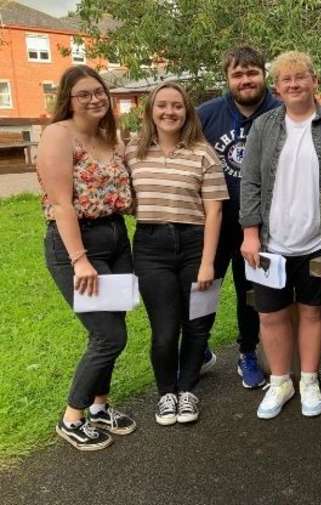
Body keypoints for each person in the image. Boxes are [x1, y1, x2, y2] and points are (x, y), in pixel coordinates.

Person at [197, 46, 321, 388]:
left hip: (304, 235)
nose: (245, 79)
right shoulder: (213, 115)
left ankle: (265, 361)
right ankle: (197, 355)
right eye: (237, 74)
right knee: (217, 294)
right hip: (234, 228)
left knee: (290, 307)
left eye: (252, 73)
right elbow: (247, 177)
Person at [36, 64, 136, 451]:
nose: (95, 99)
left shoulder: (110, 136)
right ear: (69, 99)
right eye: (84, 94)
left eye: (99, 92)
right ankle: (71, 417)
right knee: (108, 335)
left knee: (114, 322)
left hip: (116, 237)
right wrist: (79, 259)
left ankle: (99, 407)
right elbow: (61, 204)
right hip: (78, 244)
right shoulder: (58, 136)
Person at [239, 51, 321, 420]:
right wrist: (250, 234)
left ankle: (310, 378)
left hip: (318, 242)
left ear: (315, 81)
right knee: (270, 316)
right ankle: (281, 381)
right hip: (270, 244)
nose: (294, 84)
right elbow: (250, 181)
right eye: (286, 79)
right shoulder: (265, 127)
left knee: (313, 312)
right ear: (277, 88)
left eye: (301, 77)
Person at [126, 82, 229, 426]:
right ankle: (166, 393)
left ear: (187, 112)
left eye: (177, 106)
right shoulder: (133, 153)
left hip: (195, 245)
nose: (169, 112)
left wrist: (207, 263)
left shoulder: (203, 153)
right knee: (165, 330)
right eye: (162, 106)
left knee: (197, 325)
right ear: (150, 111)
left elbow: (214, 212)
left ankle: (188, 390)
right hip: (150, 246)